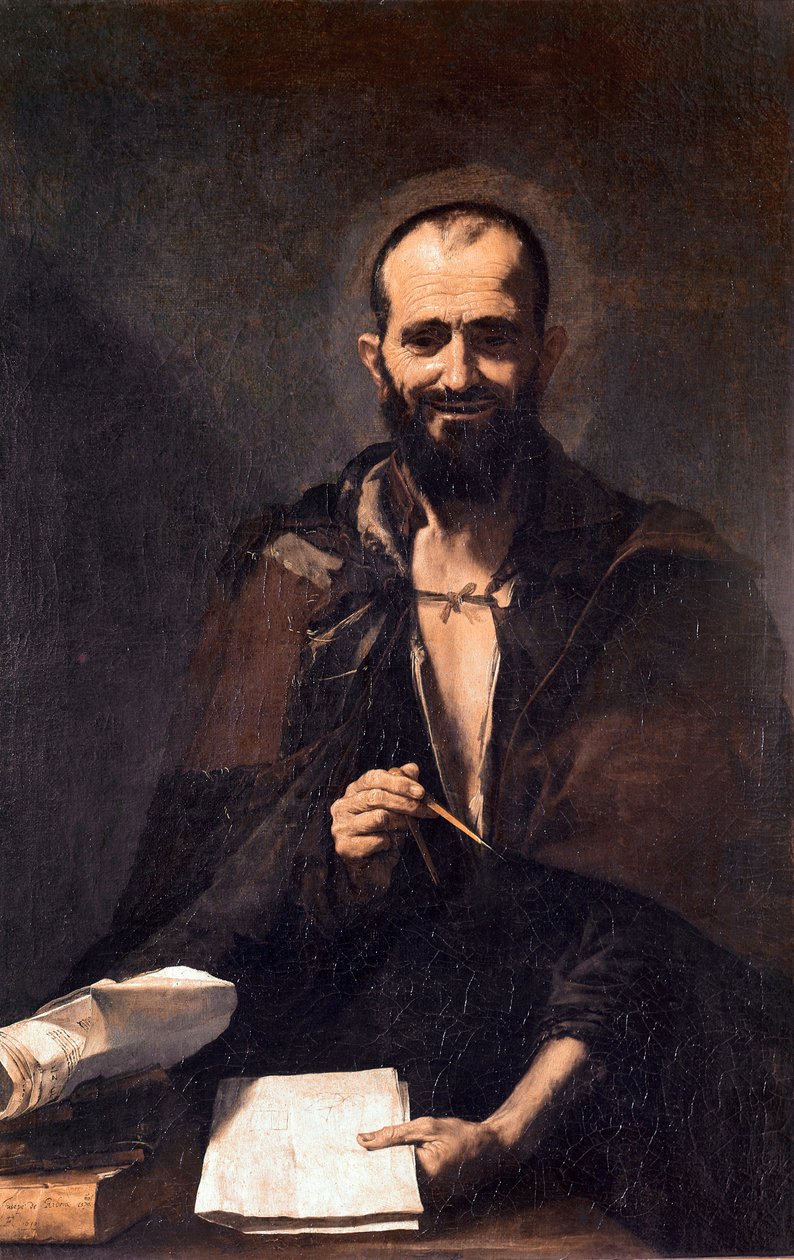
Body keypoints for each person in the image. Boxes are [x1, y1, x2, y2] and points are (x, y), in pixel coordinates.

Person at [66, 203, 791, 1253]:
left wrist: (504, 1134)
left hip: (609, 1122)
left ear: (547, 353)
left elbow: (663, 922)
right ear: (378, 360)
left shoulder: (656, 583)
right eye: (426, 338)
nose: (458, 373)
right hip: (373, 1125)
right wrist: (339, 865)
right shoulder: (298, 575)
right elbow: (209, 904)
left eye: (492, 337)